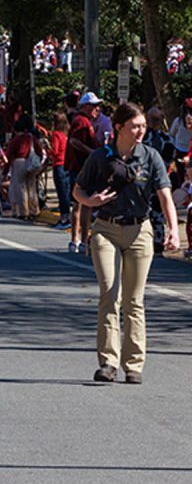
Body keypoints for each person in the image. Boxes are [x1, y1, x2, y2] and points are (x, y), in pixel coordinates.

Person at [73, 102, 179, 385]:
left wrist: (173, 230)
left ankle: (133, 365)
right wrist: (90, 201)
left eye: (143, 126)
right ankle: (108, 363)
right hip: (106, 229)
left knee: (134, 300)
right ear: (119, 127)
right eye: (135, 126)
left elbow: (165, 196)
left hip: (139, 231)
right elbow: (78, 190)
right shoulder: (100, 157)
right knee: (110, 293)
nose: (141, 130)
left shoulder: (151, 157)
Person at [66, 92, 103, 253]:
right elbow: (75, 141)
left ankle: (78, 240)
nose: (97, 109)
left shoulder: (84, 121)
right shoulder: (81, 121)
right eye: (94, 106)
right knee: (83, 204)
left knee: (81, 204)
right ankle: (80, 240)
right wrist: (91, 152)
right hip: (81, 167)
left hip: (82, 167)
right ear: (86, 106)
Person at [6, 115, 44, 220]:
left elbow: (9, 155)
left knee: (20, 188)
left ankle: (23, 211)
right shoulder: (32, 138)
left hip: (19, 162)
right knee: (31, 187)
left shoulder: (15, 140)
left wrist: (5, 170)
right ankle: (34, 210)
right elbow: (39, 152)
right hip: (31, 163)